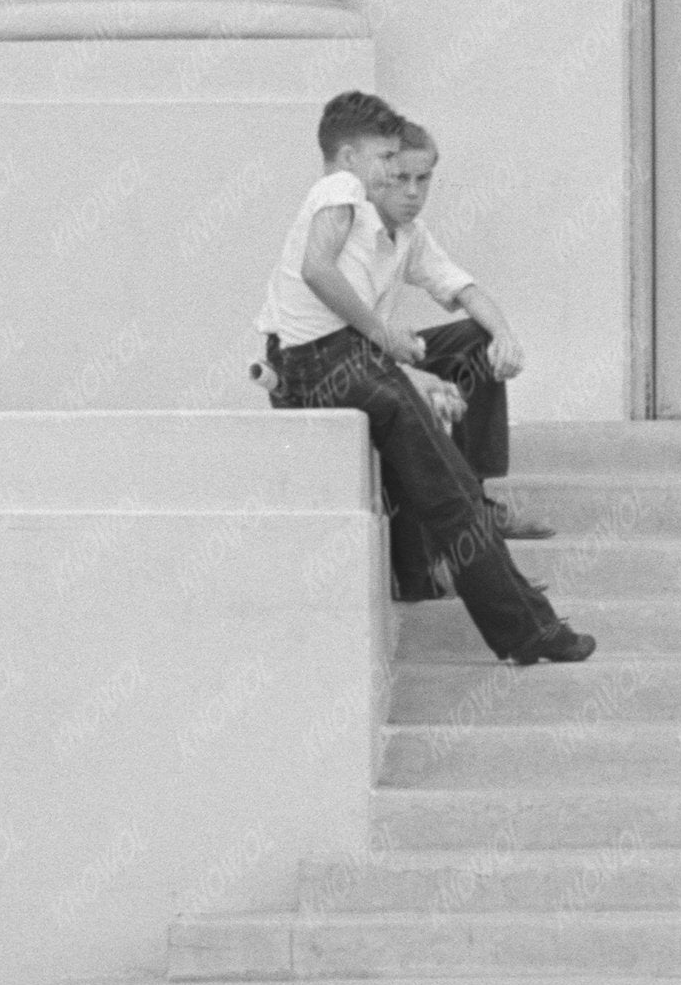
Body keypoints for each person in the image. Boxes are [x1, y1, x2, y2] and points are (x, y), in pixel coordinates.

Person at [254, 87, 594, 670]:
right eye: (386, 161)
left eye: (408, 168)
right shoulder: (340, 188)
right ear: (351, 156)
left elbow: (444, 292)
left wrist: (406, 364)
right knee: (447, 487)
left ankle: (495, 600)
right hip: (321, 363)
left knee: (446, 480)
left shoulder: (364, 208)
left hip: (332, 358)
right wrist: (397, 354)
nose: (395, 175)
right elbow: (316, 271)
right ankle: (526, 630)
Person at [339, 113, 550, 539]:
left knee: (477, 338)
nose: (414, 193)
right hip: (346, 366)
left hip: (385, 354)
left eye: (424, 178)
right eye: (401, 178)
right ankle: (459, 521)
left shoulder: (410, 233)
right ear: (378, 174)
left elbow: (466, 290)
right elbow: (349, 337)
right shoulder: (353, 230)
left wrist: (504, 336)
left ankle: (476, 494)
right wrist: (416, 379)